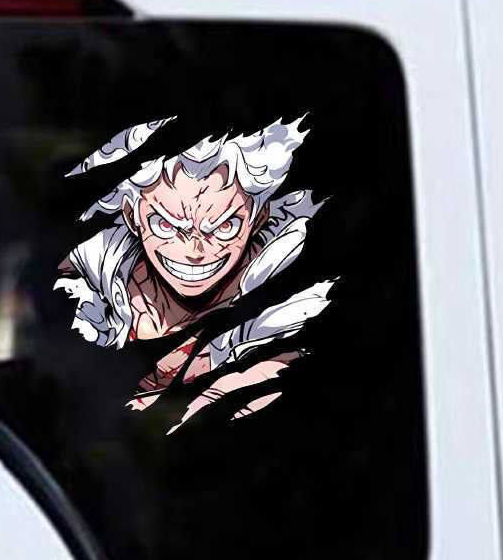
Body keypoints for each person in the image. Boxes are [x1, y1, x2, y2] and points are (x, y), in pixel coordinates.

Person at [55, 115, 334, 431]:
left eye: (224, 226)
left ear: (257, 220)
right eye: (168, 223)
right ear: (133, 215)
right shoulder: (94, 295)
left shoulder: (266, 306)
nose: (194, 250)